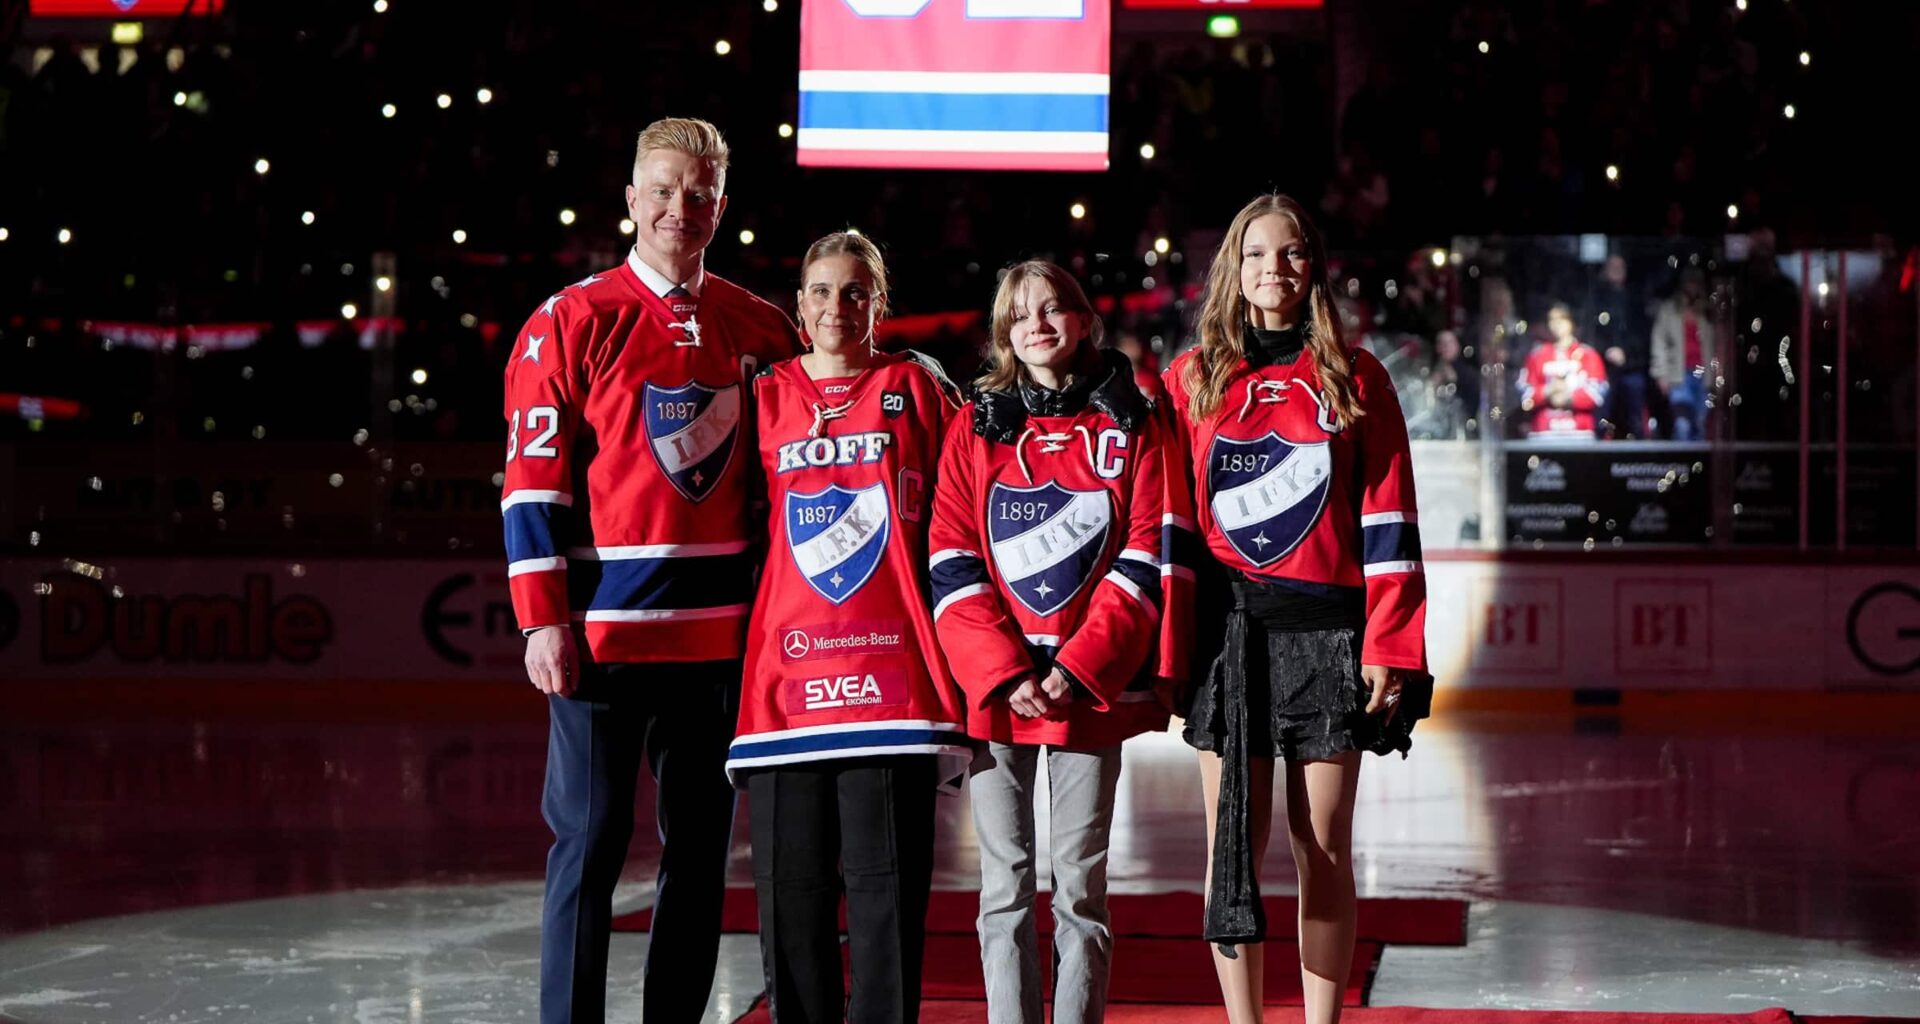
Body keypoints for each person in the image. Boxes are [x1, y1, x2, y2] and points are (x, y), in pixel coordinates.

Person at [499, 117, 800, 1024]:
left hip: (719, 644)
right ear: (630, 200)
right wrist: (541, 618)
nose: (681, 207)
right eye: (663, 189)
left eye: (700, 192)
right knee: (588, 844)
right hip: (601, 638)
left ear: (721, 206)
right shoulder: (570, 321)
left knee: (701, 850)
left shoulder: (762, 325)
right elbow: (532, 481)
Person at [1162, 194, 1430, 1024]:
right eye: (1255, 254)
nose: (1272, 268)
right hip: (1227, 641)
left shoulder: (1356, 376)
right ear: (1231, 271)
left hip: (1328, 639)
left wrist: (1392, 644)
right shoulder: (1191, 377)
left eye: (1290, 253)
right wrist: (1167, 650)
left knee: (1324, 851)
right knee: (1231, 852)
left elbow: (1390, 519)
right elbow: (1167, 524)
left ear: (1312, 266)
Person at [929, 260, 1191, 1024]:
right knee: (1004, 885)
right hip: (998, 695)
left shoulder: (1134, 424)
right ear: (1005, 334)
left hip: (1085, 693)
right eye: (1019, 314)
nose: (1037, 323)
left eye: (1052, 308)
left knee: (1080, 887)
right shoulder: (974, 426)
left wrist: (1076, 669)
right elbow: (950, 554)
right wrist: (1005, 669)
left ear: (1084, 320)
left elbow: (1144, 554)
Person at [726, 232, 974, 1024]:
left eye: (856, 291)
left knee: (885, 902)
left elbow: (970, 506)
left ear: (879, 303)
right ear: (799, 307)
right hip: (785, 688)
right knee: (791, 901)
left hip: (894, 688)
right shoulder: (761, 395)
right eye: (824, 291)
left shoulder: (918, 387)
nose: (839, 306)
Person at [1519, 302, 1609, 439]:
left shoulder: (1588, 355)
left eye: (1561, 319)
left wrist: (1567, 398)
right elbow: (1525, 393)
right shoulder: (1536, 356)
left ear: (1571, 322)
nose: (1556, 324)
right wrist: (1548, 391)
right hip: (1544, 432)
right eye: (1552, 320)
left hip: (1581, 432)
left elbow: (1597, 392)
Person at [1650, 266, 1717, 441]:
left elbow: (1719, 343)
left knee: (1700, 423)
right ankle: (1680, 464)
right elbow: (1659, 342)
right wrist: (1661, 374)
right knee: (1682, 424)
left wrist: (1719, 374)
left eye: (1697, 283)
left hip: (1703, 375)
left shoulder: (1708, 312)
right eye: (1690, 282)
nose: (1693, 287)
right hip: (1678, 374)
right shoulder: (1669, 310)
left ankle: (1698, 466)